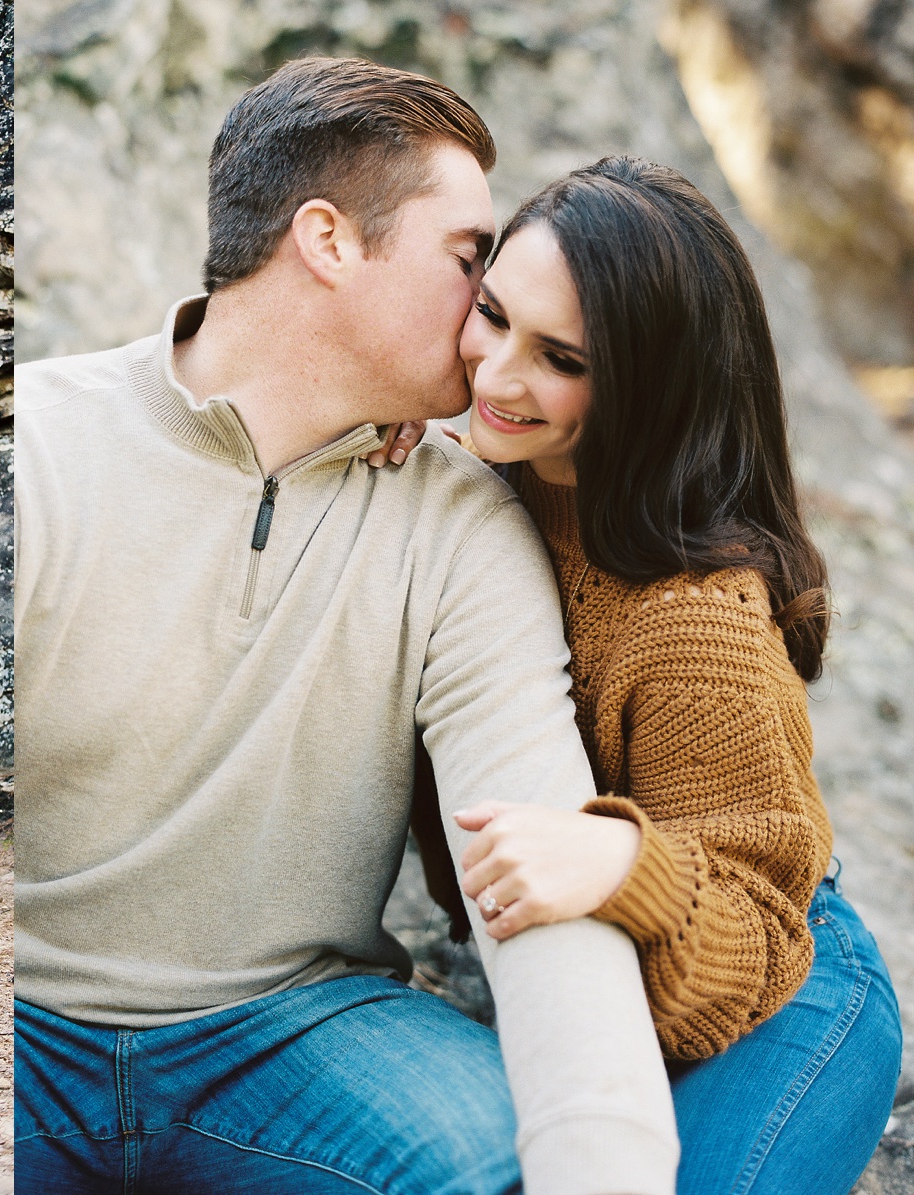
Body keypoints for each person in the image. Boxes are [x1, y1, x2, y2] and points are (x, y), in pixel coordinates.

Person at [14, 57, 677, 1195]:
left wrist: (604, 1167)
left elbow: (532, 864)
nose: (487, 319)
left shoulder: (460, 519)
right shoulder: (40, 451)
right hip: (18, 1028)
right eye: (469, 261)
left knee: (492, 1169)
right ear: (327, 241)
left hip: (295, 1031)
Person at [421, 156, 900, 1195]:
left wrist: (617, 865)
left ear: (645, 379)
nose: (498, 375)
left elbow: (762, 931)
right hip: (599, 980)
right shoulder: (479, 474)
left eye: (561, 358)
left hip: (782, 989)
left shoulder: (694, 620)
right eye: (492, 315)